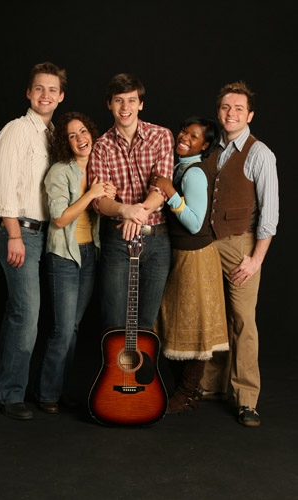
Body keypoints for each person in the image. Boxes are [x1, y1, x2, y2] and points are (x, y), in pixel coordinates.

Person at [197, 81, 279, 427]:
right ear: (219, 111)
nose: (231, 114)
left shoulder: (260, 153)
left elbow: (270, 214)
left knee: (243, 320)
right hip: (208, 243)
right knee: (212, 316)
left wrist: (255, 259)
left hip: (241, 244)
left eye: (239, 109)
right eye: (226, 108)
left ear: (250, 115)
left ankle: (247, 399)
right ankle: (211, 386)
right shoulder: (212, 150)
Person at [0, 61, 67, 420]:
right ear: (28, 92)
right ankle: (10, 394)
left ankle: (17, 386)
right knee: (27, 314)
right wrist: (14, 235)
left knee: (24, 314)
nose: (45, 95)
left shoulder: (53, 135)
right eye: (39, 88)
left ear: (61, 96)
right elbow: (4, 187)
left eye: (52, 90)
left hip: (46, 235)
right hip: (20, 233)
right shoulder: (17, 131)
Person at [37, 112, 116, 414]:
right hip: (63, 257)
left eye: (83, 131)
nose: (80, 138)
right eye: (71, 135)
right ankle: (47, 393)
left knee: (73, 328)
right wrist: (92, 193)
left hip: (89, 255)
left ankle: (58, 390)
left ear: (92, 134)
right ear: (65, 142)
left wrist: (108, 193)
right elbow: (59, 219)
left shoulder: (99, 169)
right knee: (62, 329)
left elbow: (105, 208)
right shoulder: (59, 171)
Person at [152, 116, 229, 414]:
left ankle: (186, 394)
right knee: (171, 322)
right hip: (179, 255)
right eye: (184, 131)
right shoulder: (179, 165)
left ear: (205, 145)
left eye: (193, 136)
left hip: (195, 257)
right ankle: (186, 390)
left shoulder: (194, 173)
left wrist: (171, 194)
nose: (184, 137)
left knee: (196, 327)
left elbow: (195, 224)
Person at [88, 72, 175, 333]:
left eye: (131, 100)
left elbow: (161, 187)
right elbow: (100, 201)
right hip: (117, 240)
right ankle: (115, 375)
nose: (125, 108)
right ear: (109, 104)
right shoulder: (101, 146)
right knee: (114, 322)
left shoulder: (161, 136)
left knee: (146, 324)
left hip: (157, 240)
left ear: (141, 104)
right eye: (118, 100)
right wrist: (126, 209)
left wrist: (138, 213)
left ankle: (141, 376)